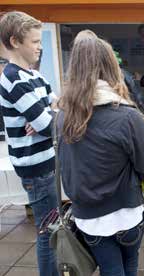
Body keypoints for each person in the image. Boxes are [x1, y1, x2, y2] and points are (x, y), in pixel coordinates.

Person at [57, 30, 144, 276]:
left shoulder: (62, 116)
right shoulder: (128, 116)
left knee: (110, 269)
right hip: (126, 212)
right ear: (110, 67)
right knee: (129, 267)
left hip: (88, 217)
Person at [0, 11, 58, 276]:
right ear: (14, 42)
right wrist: (47, 116)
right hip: (36, 170)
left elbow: (60, 107)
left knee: (54, 229)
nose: (40, 46)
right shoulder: (12, 78)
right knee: (48, 233)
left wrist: (48, 113)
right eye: (35, 41)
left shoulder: (35, 76)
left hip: (48, 163)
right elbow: (50, 126)